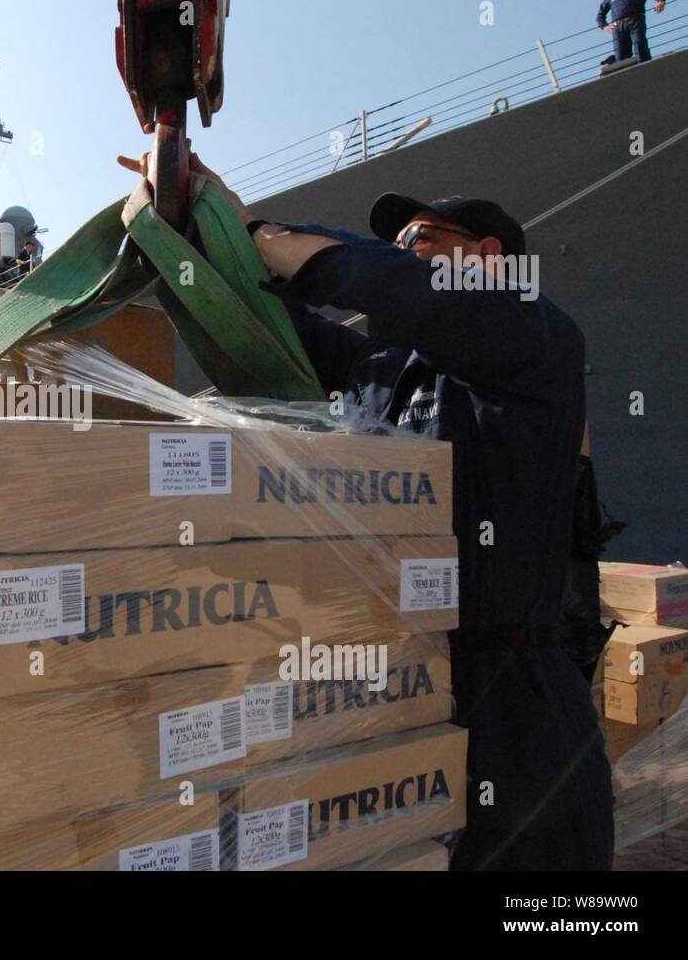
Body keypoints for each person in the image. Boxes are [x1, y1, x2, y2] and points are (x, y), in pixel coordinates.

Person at [190, 158, 613, 870]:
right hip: (409, 686)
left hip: (518, 708)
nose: (402, 255)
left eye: (421, 239)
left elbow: (408, 293)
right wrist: (200, 238)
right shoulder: (386, 373)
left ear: (487, 257)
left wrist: (260, 230)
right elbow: (281, 329)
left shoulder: (537, 342)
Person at [598, 0, 668, 64]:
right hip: (618, 26)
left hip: (635, 20)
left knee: (640, 46)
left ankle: (645, 68)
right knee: (621, 56)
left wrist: (661, 0)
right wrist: (605, 26)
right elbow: (600, 14)